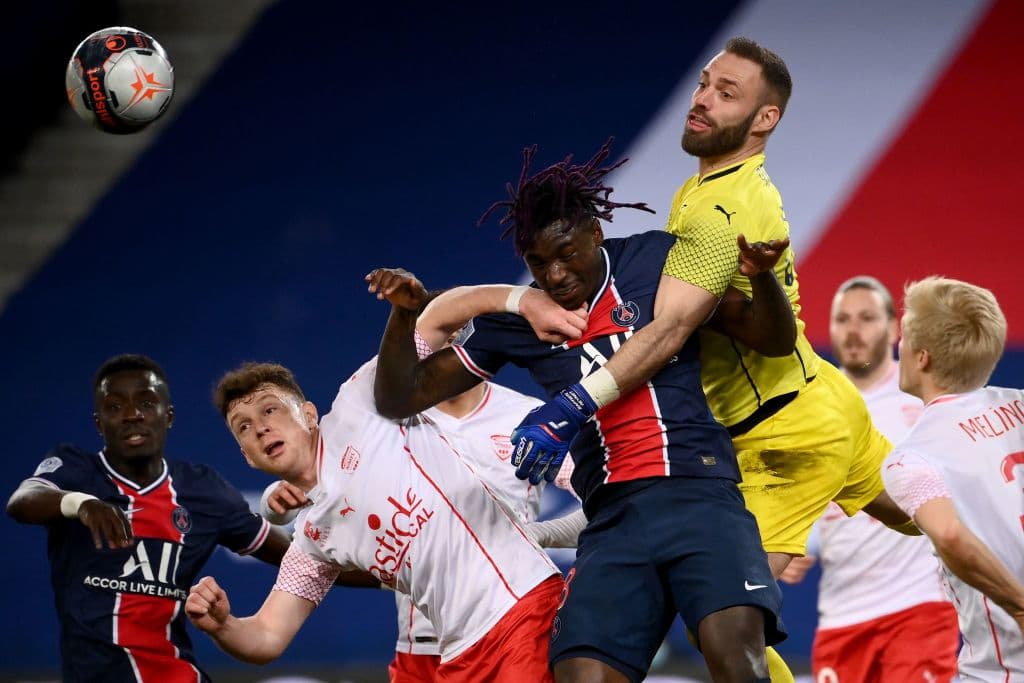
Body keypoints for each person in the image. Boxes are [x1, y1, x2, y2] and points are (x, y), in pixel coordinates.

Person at [370, 141, 789, 683]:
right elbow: (398, 398)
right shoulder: (520, 320)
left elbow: (773, 340)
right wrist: (406, 317)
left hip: (697, 492)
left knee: (736, 661)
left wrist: (761, 278)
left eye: (567, 253)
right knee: (581, 677)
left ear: (595, 231)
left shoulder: (654, 260)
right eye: (538, 263)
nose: (556, 274)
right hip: (613, 517)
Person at [185, 337, 569, 681]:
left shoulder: (361, 407)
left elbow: (429, 325)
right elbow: (267, 637)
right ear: (245, 456)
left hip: (521, 609)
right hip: (453, 652)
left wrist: (514, 300)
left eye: (270, 411)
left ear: (308, 414)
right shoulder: (315, 537)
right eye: (244, 428)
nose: (261, 429)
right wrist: (222, 626)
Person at [5, 353, 298, 683]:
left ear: (168, 415)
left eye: (146, 403)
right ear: (99, 423)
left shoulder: (202, 490)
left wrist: (365, 562)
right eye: (115, 407)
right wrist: (80, 504)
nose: (132, 415)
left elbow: (302, 559)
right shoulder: (77, 471)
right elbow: (22, 500)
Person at [780, 276, 959, 682]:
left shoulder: (924, 398)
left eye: (866, 318)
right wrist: (798, 542)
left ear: (895, 328)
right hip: (842, 614)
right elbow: (806, 494)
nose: (853, 330)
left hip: (919, 606)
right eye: (842, 319)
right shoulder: (809, 406)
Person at [881, 276, 1024, 681]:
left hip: (1004, 669)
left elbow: (950, 535)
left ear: (921, 357)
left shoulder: (912, 460)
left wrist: (1019, 606)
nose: (899, 346)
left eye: (905, 337)